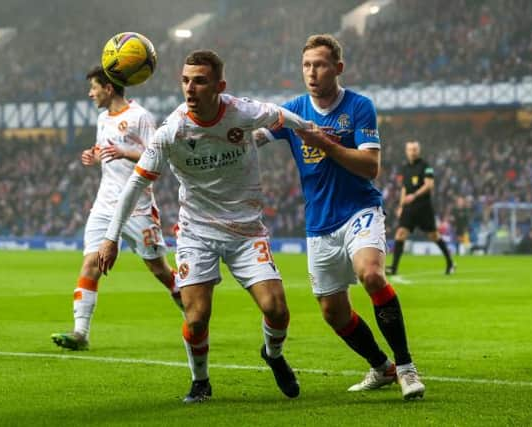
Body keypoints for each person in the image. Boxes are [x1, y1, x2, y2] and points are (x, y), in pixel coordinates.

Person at [98, 50, 312, 403]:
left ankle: (272, 356)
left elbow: (279, 115)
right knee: (196, 317)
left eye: (199, 81)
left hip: (246, 231)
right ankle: (200, 381)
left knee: (276, 309)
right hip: (197, 233)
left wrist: (310, 129)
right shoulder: (172, 131)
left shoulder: (241, 111)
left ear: (219, 86)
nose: (190, 88)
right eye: (185, 80)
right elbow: (134, 185)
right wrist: (110, 239)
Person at [256, 34, 425, 400]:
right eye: (306, 65)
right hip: (319, 224)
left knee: (372, 275)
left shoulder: (359, 106)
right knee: (333, 313)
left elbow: (371, 167)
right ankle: (382, 368)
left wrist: (326, 144)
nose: (312, 72)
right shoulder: (293, 112)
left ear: (338, 68)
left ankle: (407, 367)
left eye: (319, 64)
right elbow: (253, 136)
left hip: (359, 210)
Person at [51, 67, 181, 351]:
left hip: (138, 205)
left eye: (94, 88)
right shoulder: (101, 119)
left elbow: (159, 157)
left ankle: (191, 310)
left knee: (158, 269)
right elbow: (106, 150)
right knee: (90, 263)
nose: (90, 93)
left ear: (108, 89)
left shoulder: (140, 117)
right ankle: (80, 333)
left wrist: (126, 152)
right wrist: (94, 155)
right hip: (104, 204)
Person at [386, 141, 455, 276]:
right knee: (400, 234)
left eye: (415, 149)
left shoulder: (426, 167)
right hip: (409, 208)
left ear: (419, 150)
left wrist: (415, 195)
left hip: (423, 208)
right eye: (410, 149)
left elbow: (429, 185)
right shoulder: (405, 168)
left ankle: (450, 263)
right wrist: (401, 206)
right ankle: (394, 268)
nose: (413, 152)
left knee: (434, 236)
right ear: (406, 151)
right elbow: (404, 188)